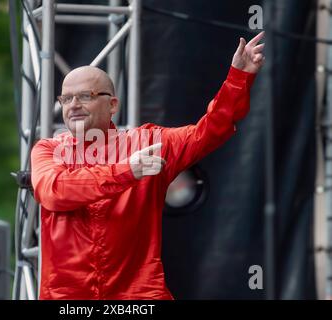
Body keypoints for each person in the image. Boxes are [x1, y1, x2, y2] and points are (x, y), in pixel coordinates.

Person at [31, 31, 265, 299]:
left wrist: (238, 79)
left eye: (85, 96)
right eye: (66, 98)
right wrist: (127, 171)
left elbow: (211, 130)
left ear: (112, 105)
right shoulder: (48, 149)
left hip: (138, 295)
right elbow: (53, 191)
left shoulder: (149, 143)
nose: (73, 105)